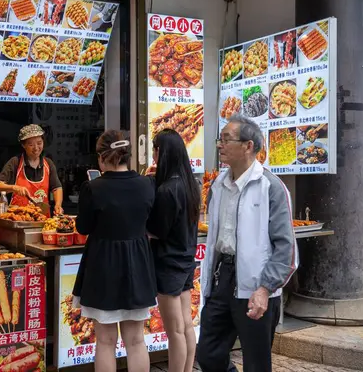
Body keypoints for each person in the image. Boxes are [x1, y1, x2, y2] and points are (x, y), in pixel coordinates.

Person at [197, 114, 298, 372]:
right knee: (209, 354)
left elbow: (286, 249)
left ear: (248, 146)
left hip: (256, 284)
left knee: (256, 362)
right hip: (223, 279)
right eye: (219, 139)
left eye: (226, 139)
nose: (220, 144)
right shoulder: (218, 185)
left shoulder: (271, 187)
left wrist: (265, 288)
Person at [72, 130, 157, 372]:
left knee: (106, 341)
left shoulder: (93, 188)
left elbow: (83, 227)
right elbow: (152, 224)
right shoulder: (147, 184)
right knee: (137, 340)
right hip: (138, 265)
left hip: (103, 266)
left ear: (102, 157)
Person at [146, 129, 200, 372]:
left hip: (168, 263)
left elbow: (158, 230)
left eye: (155, 149)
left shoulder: (167, 190)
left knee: (174, 330)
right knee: (186, 326)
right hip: (186, 259)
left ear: (163, 152)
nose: (154, 154)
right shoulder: (190, 184)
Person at [0, 124, 63, 215]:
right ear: (23, 145)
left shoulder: (48, 164)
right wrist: (14, 188)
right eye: (31, 144)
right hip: (19, 219)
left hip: (43, 220)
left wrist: (58, 204)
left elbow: (56, 188)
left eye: (39, 143)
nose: (36, 148)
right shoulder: (15, 162)